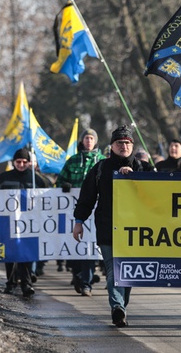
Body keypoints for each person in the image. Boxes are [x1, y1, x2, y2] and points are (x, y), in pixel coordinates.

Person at [73, 125, 154, 327]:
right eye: (120, 143)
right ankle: (117, 307)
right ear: (112, 146)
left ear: (133, 146)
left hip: (137, 230)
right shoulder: (100, 168)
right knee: (113, 269)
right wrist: (79, 221)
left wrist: (135, 176)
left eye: (127, 143)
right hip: (108, 226)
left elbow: (158, 194)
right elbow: (87, 197)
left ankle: (121, 305)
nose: (124, 146)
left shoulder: (143, 168)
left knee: (129, 270)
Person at [0, 147, 48, 297]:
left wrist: (65, 190)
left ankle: (26, 284)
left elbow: (50, 194)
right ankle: (11, 282)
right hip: (8, 222)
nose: (21, 164)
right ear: (13, 162)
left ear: (29, 162)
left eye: (24, 162)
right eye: (18, 162)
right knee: (10, 254)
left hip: (30, 223)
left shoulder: (36, 179)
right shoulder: (4, 178)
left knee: (26, 254)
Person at [56, 128, 106, 297]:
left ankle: (87, 283)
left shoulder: (102, 161)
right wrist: (65, 186)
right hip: (74, 210)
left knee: (90, 248)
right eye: (86, 138)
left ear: (96, 141)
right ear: (82, 141)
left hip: (95, 210)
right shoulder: (73, 160)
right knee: (75, 246)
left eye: (92, 138)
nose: (89, 141)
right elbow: (60, 181)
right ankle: (78, 275)